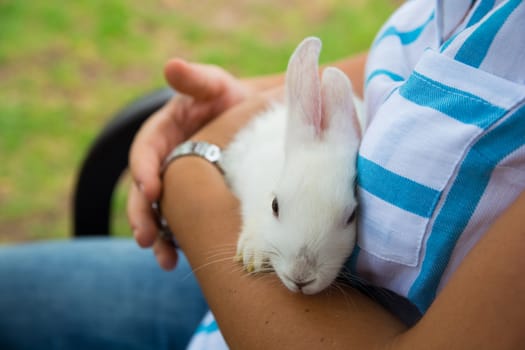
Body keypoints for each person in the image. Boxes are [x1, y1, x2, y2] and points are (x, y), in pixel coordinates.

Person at [1, 0, 524, 349]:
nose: (302, 276)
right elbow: (408, 67)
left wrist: (188, 172)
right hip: (228, 279)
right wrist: (246, 97)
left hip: (242, 274)